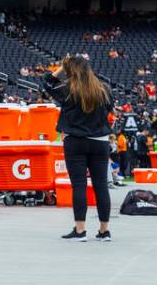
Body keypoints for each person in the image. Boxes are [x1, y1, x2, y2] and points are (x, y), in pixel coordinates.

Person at [45, 55, 113, 242]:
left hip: (76, 141)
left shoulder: (67, 89)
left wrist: (61, 68)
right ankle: (104, 231)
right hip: (100, 141)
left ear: (71, 71)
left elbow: (47, 82)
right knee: (101, 186)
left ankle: (80, 230)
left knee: (79, 186)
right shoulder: (104, 89)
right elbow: (110, 110)